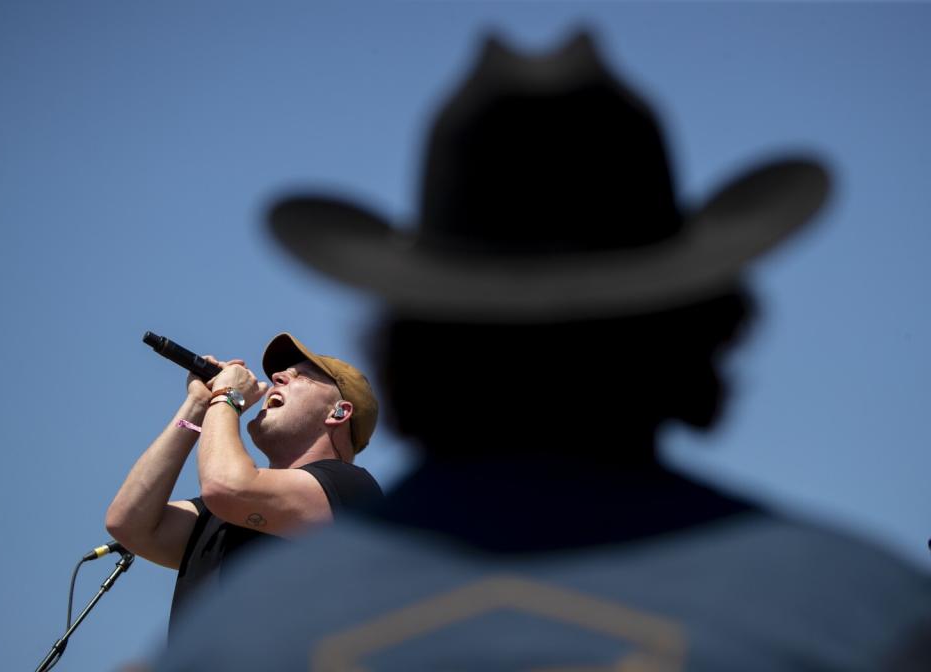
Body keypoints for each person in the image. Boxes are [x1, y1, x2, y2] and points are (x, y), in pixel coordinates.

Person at [154, 33, 931, 670]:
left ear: (403, 350)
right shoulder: (868, 613)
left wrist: (218, 401)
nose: (283, 376)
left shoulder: (240, 641)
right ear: (710, 327)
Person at [105, 332, 383, 634]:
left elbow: (225, 487)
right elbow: (129, 522)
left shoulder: (350, 489)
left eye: (300, 376)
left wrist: (227, 398)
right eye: (282, 373)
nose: (277, 377)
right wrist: (197, 405)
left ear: (339, 411)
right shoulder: (222, 511)